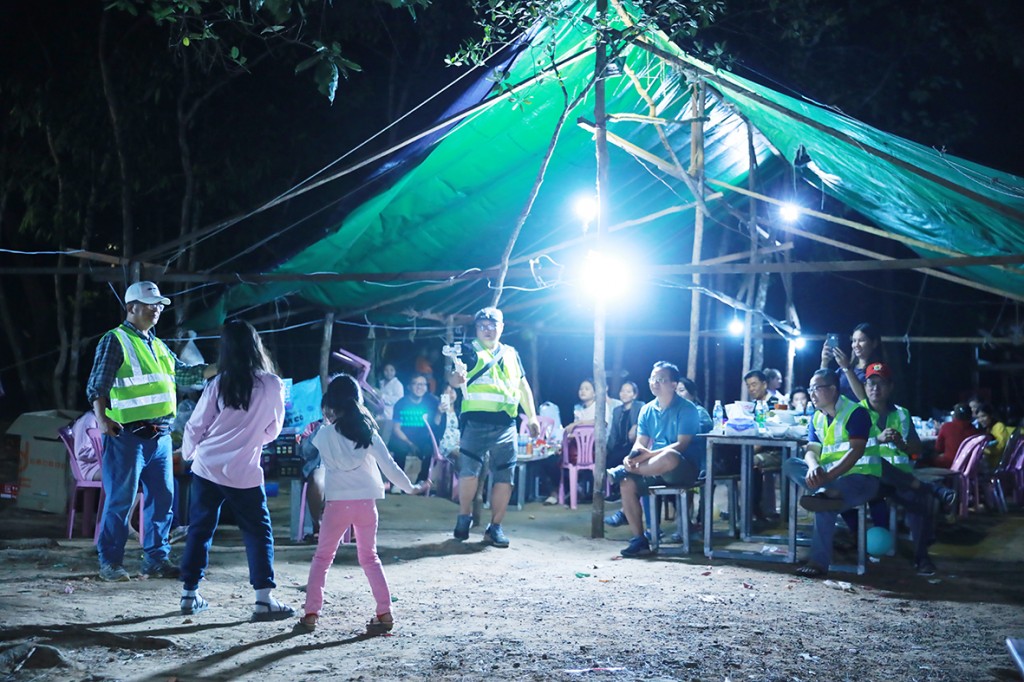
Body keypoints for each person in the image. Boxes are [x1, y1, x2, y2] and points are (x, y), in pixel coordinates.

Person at [86, 281, 213, 582]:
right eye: (151, 304)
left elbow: (185, 372)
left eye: (159, 304)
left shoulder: (158, 345)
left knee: (163, 499)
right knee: (121, 500)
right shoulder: (114, 340)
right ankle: (110, 562)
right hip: (126, 436)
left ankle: (156, 559)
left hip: (161, 437)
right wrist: (102, 419)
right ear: (132, 307)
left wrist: (220, 367)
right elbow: (97, 384)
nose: (157, 309)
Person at [178, 319, 293, 620]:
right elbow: (274, 428)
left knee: (200, 530)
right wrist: (253, 438)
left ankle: (189, 595)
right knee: (258, 532)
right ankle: (263, 600)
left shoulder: (218, 382)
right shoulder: (272, 384)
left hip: (206, 467)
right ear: (256, 346)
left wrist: (189, 455)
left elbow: (196, 425)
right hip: (244, 470)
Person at [299, 374, 429, 632]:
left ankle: (311, 614)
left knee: (322, 558)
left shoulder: (323, 435)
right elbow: (390, 467)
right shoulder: (368, 432)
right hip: (366, 505)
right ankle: (385, 612)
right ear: (358, 400)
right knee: (370, 558)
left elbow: (307, 451)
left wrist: (324, 423)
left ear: (332, 402)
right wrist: (411, 488)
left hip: (337, 505)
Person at [448, 307, 540, 547]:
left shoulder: (511, 353)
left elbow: (522, 386)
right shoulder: (468, 350)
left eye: (493, 325)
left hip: (506, 425)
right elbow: (454, 378)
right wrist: (456, 380)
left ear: (502, 327)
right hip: (475, 423)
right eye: (482, 326)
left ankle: (495, 527)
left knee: (504, 476)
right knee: (469, 473)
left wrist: (532, 416)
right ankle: (464, 515)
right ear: (476, 329)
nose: (488, 330)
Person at [860, 362, 956, 575]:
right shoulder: (856, 412)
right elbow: (850, 447)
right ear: (865, 386)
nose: (876, 388)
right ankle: (931, 488)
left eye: (881, 383)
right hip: (869, 478)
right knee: (878, 463)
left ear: (890, 386)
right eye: (871, 383)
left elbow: (916, 449)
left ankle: (921, 558)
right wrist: (878, 439)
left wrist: (901, 444)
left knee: (918, 500)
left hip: (900, 479)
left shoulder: (902, 414)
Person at [782, 369, 880, 578]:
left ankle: (818, 562)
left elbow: (857, 450)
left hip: (861, 479)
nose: (812, 394)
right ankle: (826, 492)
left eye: (816, 388)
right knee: (791, 464)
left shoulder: (856, 413)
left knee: (824, 504)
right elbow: (811, 450)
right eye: (810, 389)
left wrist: (827, 477)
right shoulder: (817, 418)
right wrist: (812, 467)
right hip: (829, 479)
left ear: (833, 389)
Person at [605, 361, 701, 558]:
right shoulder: (647, 410)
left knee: (669, 456)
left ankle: (627, 470)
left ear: (673, 385)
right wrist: (632, 457)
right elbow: (640, 443)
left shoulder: (688, 409)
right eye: (652, 379)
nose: (655, 383)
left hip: (681, 469)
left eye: (661, 380)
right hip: (652, 468)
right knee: (626, 483)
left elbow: (682, 445)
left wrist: (647, 455)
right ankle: (639, 540)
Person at [389, 374, 440, 483]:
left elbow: (436, 425)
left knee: (429, 448)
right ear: (409, 387)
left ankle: (422, 480)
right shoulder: (401, 404)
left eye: (422, 384)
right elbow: (396, 429)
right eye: (415, 384)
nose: (419, 387)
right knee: (400, 448)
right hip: (403, 438)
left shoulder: (432, 403)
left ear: (426, 387)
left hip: (422, 439)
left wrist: (440, 412)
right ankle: (398, 482)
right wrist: (410, 444)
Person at [744, 370, 780, 520]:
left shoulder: (776, 403)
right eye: (748, 386)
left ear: (764, 384)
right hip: (756, 449)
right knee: (742, 462)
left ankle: (754, 510)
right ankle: (749, 509)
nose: (751, 389)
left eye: (754, 384)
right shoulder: (751, 406)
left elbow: (772, 432)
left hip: (776, 451)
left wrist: (752, 450)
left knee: (750, 462)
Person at [821, 322, 884, 402]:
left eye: (861, 340)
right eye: (854, 341)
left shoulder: (878, 370)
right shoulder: (843, 370)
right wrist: (824, 363)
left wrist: (847, 368)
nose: (856, 345)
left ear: (874, 343)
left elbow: (865, 399)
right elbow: (824, 386)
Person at [296, 420, 326, 541]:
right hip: (321, 467)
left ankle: (355, 529)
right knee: (317, 480)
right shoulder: (313, 426)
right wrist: (321, 429)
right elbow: (304, 452)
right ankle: (319, 525)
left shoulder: (351, 423)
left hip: (345, 468)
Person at [930, 403, 978, 468]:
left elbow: (938, 448)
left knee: (925, 457)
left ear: (954, 415)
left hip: (948, 463)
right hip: (968, 465)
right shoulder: (974, 430)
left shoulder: (946, 427)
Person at [975, 403, 1015, 472]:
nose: (981, 420)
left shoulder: (999, 426)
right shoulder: (987, 429)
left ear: (990, 415)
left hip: (999, 467)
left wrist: (982, 450)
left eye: (983, 416)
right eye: (978, 417)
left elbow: (1000, 447)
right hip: (991, 466)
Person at [376, 363, 404, 445]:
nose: (389, 372)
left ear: (395, 371)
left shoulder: (398, 384)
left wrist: (383, 396)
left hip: (390, 416)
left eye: (391, 370)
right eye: (386, 370)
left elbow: (399, 400)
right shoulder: (381, 383)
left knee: (385, 441)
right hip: (379, 416)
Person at [70, 411, 101, 481]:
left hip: (102, 464)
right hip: (89, 468)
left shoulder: (107, 419)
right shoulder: (88, 420)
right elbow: (82, 453)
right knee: (122, 473)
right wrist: (107, 454)